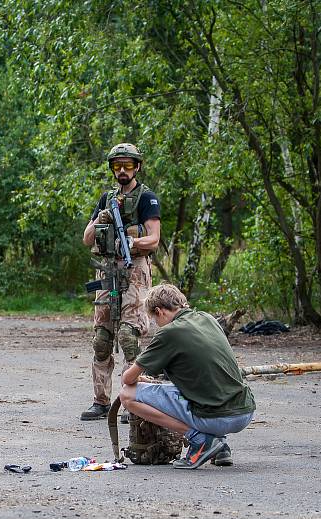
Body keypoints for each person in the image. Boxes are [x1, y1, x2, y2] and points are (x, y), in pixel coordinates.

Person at [119, 283, 256, 469]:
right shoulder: (207, 318)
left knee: (127, 395)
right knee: (200, 385)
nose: (155, 324)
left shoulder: (169, 332)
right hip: (244, 410)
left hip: (216, 417)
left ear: (159, 311)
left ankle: (199, 439)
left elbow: (128, 379)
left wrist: (136, 378)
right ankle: (221, 446)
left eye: (153, 319)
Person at [81, 143, 161, 421]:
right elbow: (87, 239)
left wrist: (132, 240)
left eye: (128, 165)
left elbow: (154, 239)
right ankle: (101, 401)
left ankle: (133, 400)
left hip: (135, 270)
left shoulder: (146, 198)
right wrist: (101, 218)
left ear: (137, 166)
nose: (123, 171)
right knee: (102, 338)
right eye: (118, 166)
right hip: (106, 270)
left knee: (129, 336)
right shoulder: (106, 199)